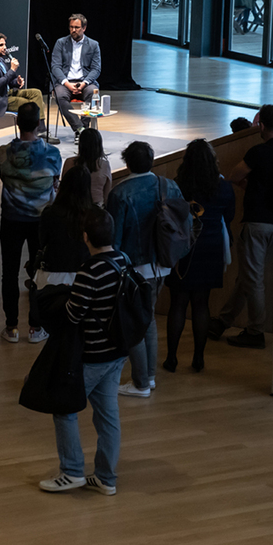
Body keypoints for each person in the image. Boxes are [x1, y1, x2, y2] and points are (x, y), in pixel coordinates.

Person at [39, 207, 128, 496]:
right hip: (117, 352)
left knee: (63, 407)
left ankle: (72, 471)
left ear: (86, 237)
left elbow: (74, 314)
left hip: (93, 353)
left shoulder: (91, 269)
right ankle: (105, 477)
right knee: (107, 415)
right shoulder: (123, 261)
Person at [209, 104, 273, 348]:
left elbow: (233, 175)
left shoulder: (259, 151)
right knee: (248, 277)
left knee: (254, 279)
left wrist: (253, 189)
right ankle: (222, 322)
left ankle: (255, 331)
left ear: (261, 126)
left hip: (258, 223)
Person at [106, 140, 185, 397]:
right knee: (147, 320)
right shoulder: (169, 185)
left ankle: (141, 381)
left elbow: (114, 239)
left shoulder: (120, 193)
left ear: (127, 162)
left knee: (134, 323)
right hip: (164, 264)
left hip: (134, 269)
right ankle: (148, 378)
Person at [163, 139, 236, 372]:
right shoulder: (223, 187)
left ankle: (171, 358)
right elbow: (230, 216)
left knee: (178, 303)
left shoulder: (178, 185)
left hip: (183, 248)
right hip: (211, 247)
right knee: (201, 304)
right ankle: (198, 358)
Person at [0, 101, 61, 345]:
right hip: (40, 222)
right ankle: (36, 328)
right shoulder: (53, 154)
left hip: (11, 220)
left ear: (16, 123)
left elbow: (4, 177)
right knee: (39, 274)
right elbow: (55, 182)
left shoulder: (4, 152)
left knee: (9, 273)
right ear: (38, 124)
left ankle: (11, 327)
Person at [0, 31, 50, 132]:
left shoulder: (0, 60)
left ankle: (40, 130)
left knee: (36, 93)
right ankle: (39, 131)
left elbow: (9, 82)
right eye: (1, 45)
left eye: (5, 44)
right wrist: (12, 70)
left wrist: (17, 82)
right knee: (31, 104)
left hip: (8, 93)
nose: (5, 47)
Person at [35, 166, 92, 288]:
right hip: (85, 274)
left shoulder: (50, 213)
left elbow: (42, 242)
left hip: (53, 273)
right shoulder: (95, 215)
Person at [50, 13, 102, 143]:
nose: (73, 30)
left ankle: (83, 129)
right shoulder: (61, 43)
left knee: (93, 92)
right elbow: (55, 66)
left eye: (77, 27)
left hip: (85, 82)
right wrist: (67, 84)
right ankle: (80, 129)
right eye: (71, 27)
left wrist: (84, 83)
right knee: (59, 95)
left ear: (84, 28)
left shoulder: (93, 45)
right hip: (65, 82)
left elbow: (96, 69)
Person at [61, 128, 112, 206]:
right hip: (95, 208)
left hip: (71, 208)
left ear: (81, 144)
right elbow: (107, 194)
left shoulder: (69, 162)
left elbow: (62, 189)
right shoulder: (104, 164)